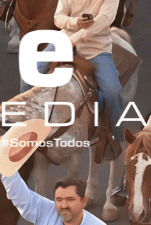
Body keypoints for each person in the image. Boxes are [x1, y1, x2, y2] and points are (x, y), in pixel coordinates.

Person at [54, 0, 124, 140]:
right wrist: (76, 22)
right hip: (64, 42)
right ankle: (27, 123)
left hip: (95, 49)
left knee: (112, 91)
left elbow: (103, 20)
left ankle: (116, 137)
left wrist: (73, 39)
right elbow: (58, 17)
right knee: (34, 69)